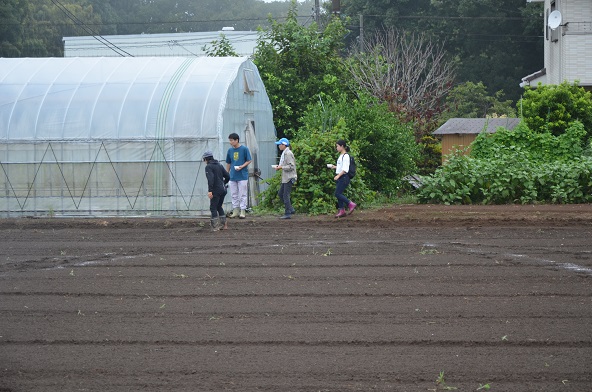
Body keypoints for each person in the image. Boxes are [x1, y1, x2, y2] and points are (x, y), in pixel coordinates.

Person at [225, 133, 252, 219]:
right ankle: (235, 210)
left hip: (242, 175)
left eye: (232, 140)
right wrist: (227, 174)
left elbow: (249, 160)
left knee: (242, 194)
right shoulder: (230, 151)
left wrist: (242, 166)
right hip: (233, 176)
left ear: (236, 140)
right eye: (230, 140)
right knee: (234, 194)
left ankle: (243, 210)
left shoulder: (244, 149)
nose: (230, 142)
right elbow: (228, 163)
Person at [327, 139, 356, 218]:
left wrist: (338, 176)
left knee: (337, 193)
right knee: (338, 193)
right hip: (341, 176)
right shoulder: (341, 156)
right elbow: (341, 167)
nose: (336, 148)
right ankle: (342, 210)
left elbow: (345, 169)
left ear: (342, 146)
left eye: (337, 146)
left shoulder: (346, 156)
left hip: (344, 177)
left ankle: (350, 204)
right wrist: (334, 167)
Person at [203, 150, 230, 231]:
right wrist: (223, 183)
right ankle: (224, 225)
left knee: (213, 208)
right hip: (223, 189)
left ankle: (215, 227)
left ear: (206, 159)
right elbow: (228, 176)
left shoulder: (208, 166)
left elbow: (210, 179)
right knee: (219, 206)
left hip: (216, 190)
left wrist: (210, 191)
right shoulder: (219, 165)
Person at [273, 137, 297, 219]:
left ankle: (288, 213)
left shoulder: (288, 154)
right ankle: (290, 209)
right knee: (281, 194)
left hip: (289, 177)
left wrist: (281, 167)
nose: (279, 146)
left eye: (280, 144)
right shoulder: (285, 153)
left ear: (284, 145)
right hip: (286, 177)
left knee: (285, 195)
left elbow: (291, 166)